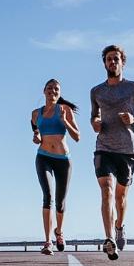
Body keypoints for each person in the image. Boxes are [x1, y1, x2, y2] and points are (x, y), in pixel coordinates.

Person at [90, 44, 134, 260]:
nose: (112, 62)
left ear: (122, 62)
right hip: (104, 147)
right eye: (109, 59)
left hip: (127, 149)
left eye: (116, 59)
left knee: (121, 197)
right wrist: (95, 122)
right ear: (104, 63)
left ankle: (119, 227)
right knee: (106, 189)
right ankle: (108, 239)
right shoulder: (96, 91)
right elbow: (94, 117)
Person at [31, 78, 81, 255]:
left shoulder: (65, 110)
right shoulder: (35, 114)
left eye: (56, 89)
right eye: (50, 88)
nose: (53, 91)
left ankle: (59, 232)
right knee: (47, 196)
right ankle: (48, 242)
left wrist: (65, 121)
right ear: (44, 91)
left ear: (59, 93)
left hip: (63, 160)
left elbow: (77, 137)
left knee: (60, 202)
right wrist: (36, 136)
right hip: (43, 157)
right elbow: (35, 131)